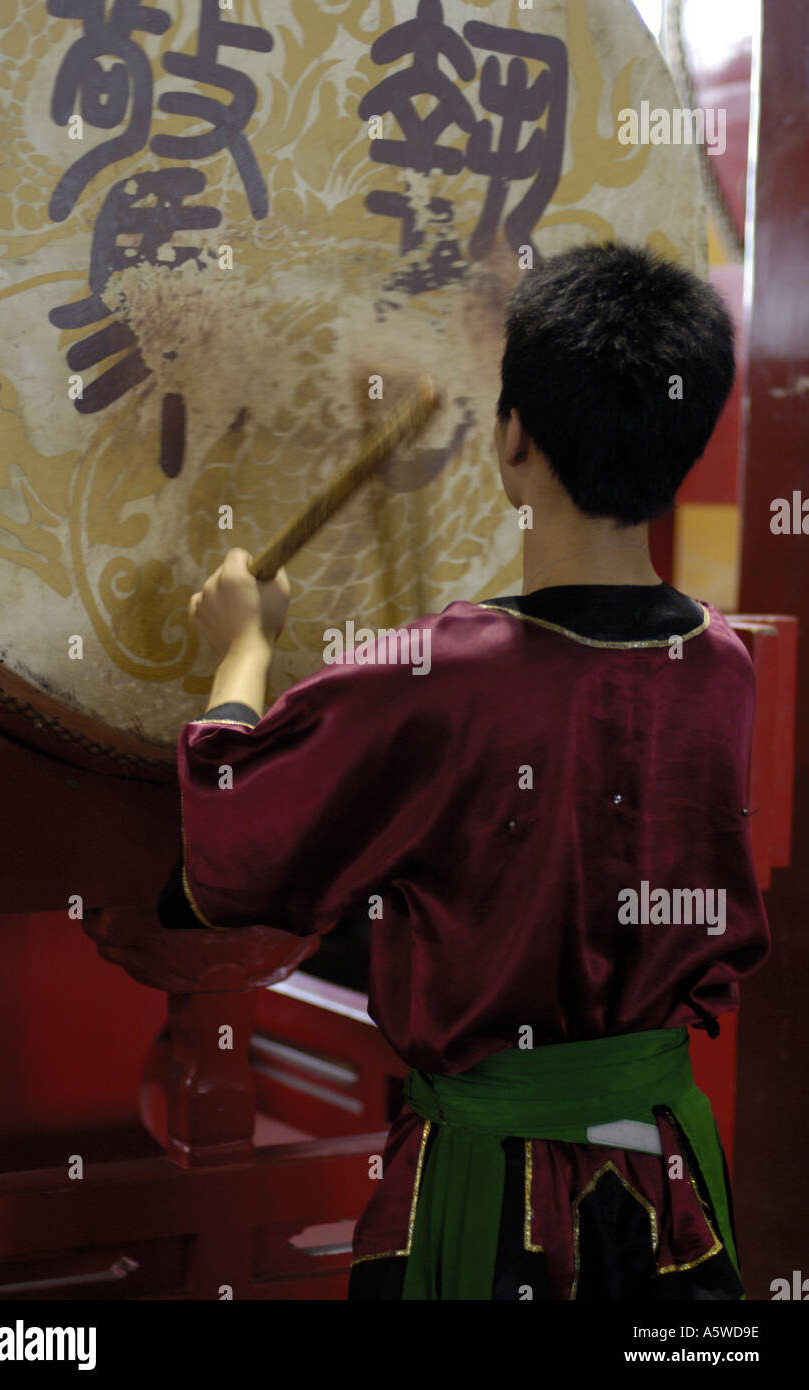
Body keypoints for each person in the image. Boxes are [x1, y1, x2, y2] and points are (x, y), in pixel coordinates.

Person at [158, 242, 770, 1300]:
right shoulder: (723, 663)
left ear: (512, 436)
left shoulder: (441, 671)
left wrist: (244, 652)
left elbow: (232, 853)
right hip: (667, 1191)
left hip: (498, 1207)